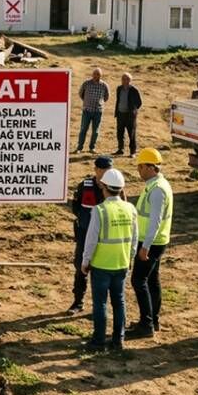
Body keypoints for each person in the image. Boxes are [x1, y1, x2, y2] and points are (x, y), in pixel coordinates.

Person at [80, 169, 138, 352]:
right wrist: (130, 258)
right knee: (119, 302)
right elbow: (135, 238)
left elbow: (91, 239)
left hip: (101, 265)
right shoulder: (130, 209)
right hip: (121, 263)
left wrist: (85, 261)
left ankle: (98, 341)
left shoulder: (100, 210)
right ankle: (118, 339)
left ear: (104, 187)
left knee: (100, 304)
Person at [127, 147, 173, 339]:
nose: (138, 170)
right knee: (152, 280)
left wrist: (145, 246)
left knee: (139, 280)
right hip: (155, 240)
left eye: (141, 167)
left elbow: (154, 220)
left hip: (150, 242)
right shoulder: (157, 185)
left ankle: (146, 324)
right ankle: (153, 320)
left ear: (150, 167)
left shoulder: (157, 190)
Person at [68, 156, 112, 313]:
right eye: (105, 170)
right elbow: (75, 207)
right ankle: (78, 302)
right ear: (96, 170)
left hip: (105, 236)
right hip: (84, 234)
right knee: (81, 268)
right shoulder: (85, 185)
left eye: (109, 169)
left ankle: (99, 306)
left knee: (101, 273)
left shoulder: (114, 187)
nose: (107, 172)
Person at [76, 68, 109, 154]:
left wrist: (99, 103)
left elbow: (106, 97)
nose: (96, 76)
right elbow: (80, 93)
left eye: (98, 74)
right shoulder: (86, 83)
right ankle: (79, 147)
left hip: (98, 111)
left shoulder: (104, 85)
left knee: (95, 131)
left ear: (101, 76)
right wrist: (86, 101)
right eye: (95, 74)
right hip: (87, 110)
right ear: (92, 74)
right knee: (83, 129)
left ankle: (92, 147)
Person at [113, 73, 142, 157]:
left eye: (126, 79)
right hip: (120, 115)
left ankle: (132, 152)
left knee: (131, 134)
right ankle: (120, 149)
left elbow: (139, 103)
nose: (124, 81)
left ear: (130, 80)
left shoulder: (134, 90)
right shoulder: (119, 89)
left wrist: (133, 111)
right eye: (123, 79)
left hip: (130, 116)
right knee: (120, 133)